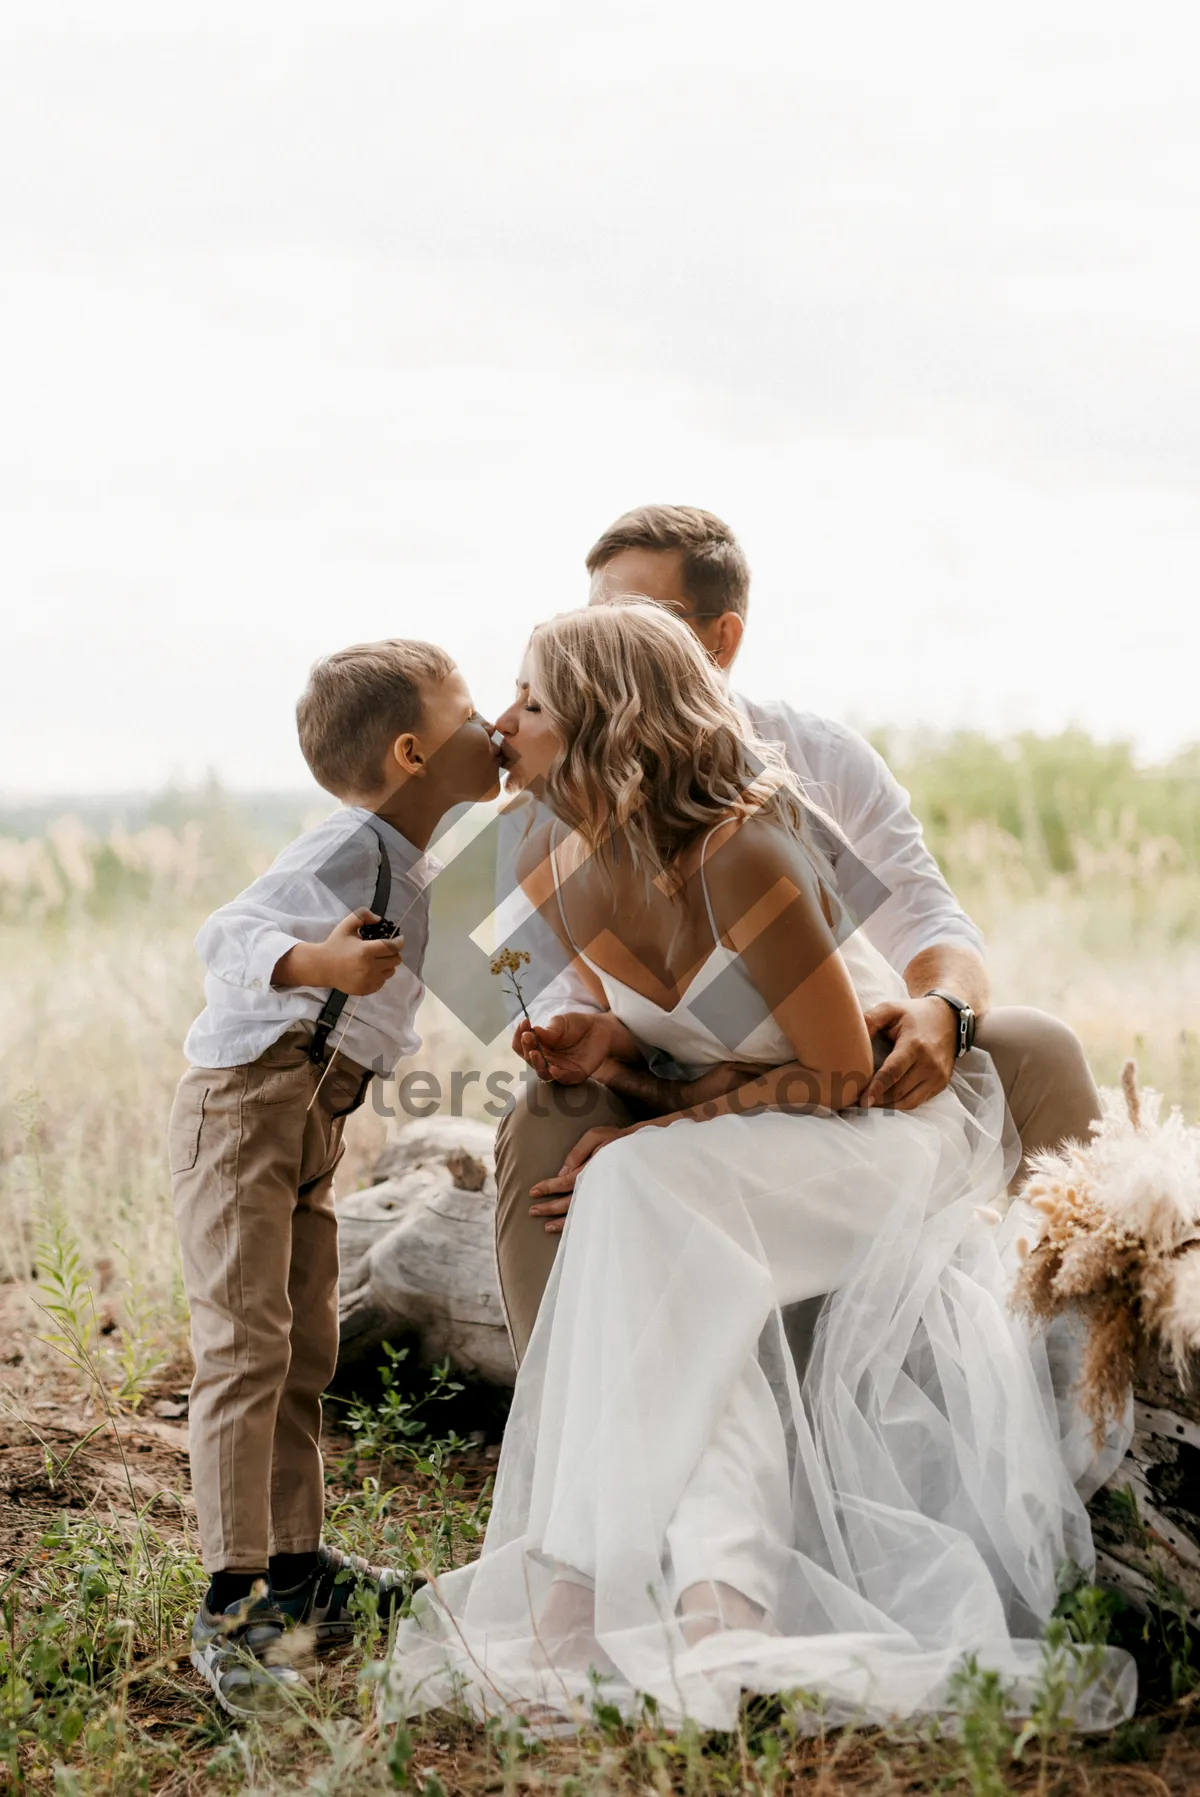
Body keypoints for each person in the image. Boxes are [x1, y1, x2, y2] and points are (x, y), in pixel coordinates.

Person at [381, 605, 1132, 1734]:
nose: (503, 720)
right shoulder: (553, 845)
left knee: (636, 1193)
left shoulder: (749, 852)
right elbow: (439, 953)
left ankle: (581, 1592)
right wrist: (613, 1049)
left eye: (530, 701)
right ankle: (714, 1608)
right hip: (740, 1142)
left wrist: (657, 1130)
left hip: (873, 1141)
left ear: (602, 725)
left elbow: (838, 1077)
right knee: (679, 1266)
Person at [494, 504, 1101, 1362]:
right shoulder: (548, 817)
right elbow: (589, 994)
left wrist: (943, 1007)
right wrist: (603, 1039)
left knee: (1034, 1042)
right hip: (675, 1066)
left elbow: (925, 920)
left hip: (830, 1065)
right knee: (552, 1114)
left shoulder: (808, 765)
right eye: (595, 615)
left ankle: (1087, 1356)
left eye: (639, 618)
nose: (607, 635)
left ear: (721, 637)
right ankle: (565, 1413)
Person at [170, 638, 501, 1716]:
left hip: (311, 1120)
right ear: (413, 752)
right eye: (471, 712)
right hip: (245, 1110)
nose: (493, 720)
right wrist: (317, 963)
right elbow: (228, 934)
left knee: (306, 1340)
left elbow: (467, 974)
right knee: (244, 1344)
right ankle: (232, 1601)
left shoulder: (413, 861)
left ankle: (299, 1563)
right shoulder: (350, 846)